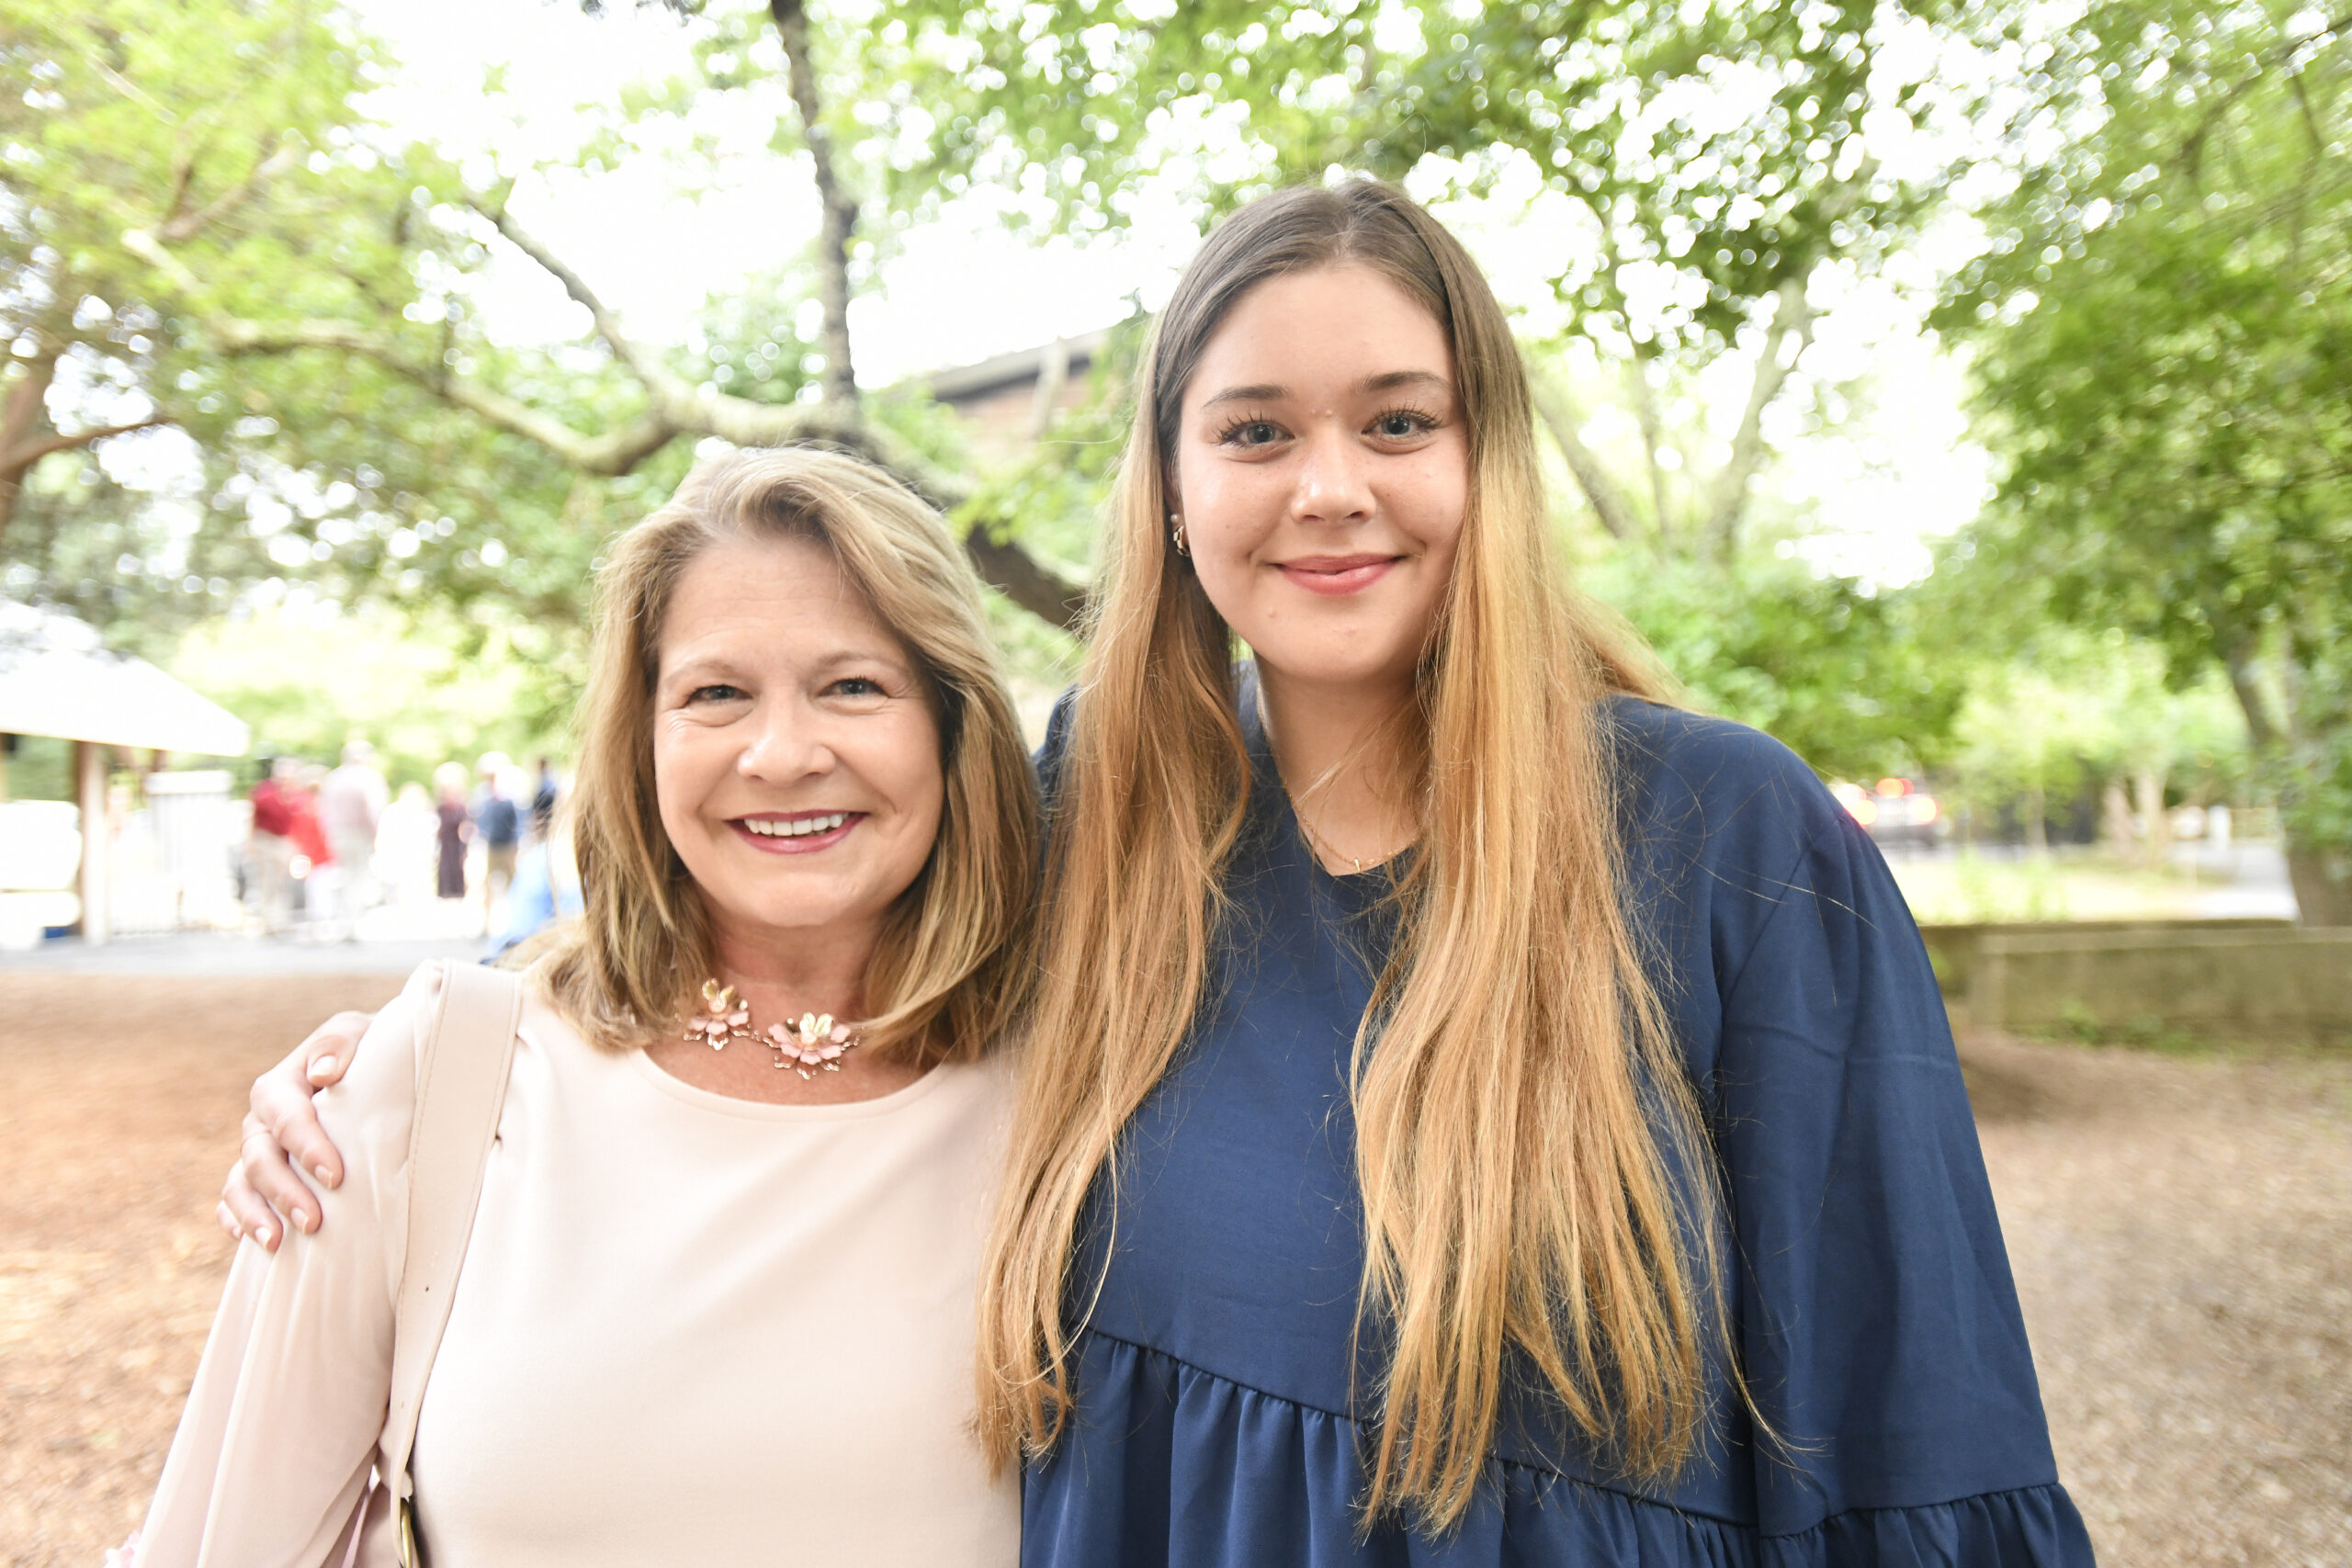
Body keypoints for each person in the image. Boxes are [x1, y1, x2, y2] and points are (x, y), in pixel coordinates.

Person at [224, 182, 2092, 1563]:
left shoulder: (1715, 838)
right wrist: (408, 1061)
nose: (1328, 486)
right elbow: (812, 923)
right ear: (1173, 484)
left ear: (1482, 455)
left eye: (1395, 419)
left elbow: (1908, 1418)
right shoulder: (1110, 822)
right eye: (1256, 430)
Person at [138, 447, 1037, 1565]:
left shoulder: (1081, 1090)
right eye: (715, 694)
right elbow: (223, 1548)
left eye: (853, 685)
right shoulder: (440, 1077)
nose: (781, 753)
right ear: (641, 737)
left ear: (953, 726)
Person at [317, 740, 389, 938]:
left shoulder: (334, 779)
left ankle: (343, 920)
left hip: (337, 833)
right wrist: (375, 836)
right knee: (357, 877)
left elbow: (322, 810)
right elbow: (373, 810)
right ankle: (351, 922)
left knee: (343, 875)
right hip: (358, 833)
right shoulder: (370, 778)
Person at [244, 758, 297, 933]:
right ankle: (268, 919)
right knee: (267, 882)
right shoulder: (263, 793)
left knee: (282, 882)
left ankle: (280, 918)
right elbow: (252, 819)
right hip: (265, 840)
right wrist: (250, 843)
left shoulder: (293, 795)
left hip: (283, 841)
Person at [432, 762, 469, 902]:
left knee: (457, 868)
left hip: (456, 842)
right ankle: (446, 892)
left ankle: (458, 892)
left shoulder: (461, 806)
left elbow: (465, 824)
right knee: (445, 869)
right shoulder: (441, 806)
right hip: (445, 842)